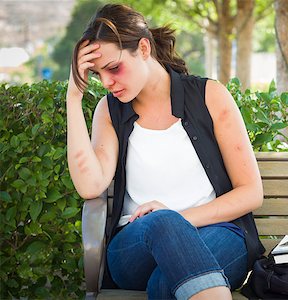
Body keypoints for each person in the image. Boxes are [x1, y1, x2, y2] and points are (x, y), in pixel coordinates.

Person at [66, 3, 265, 300]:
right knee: (160, 222)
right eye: (97, 74)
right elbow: (89, 185)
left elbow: (251, 192)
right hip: (136, 249)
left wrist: (178, 218)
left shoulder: (209, 96)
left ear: (143, 48)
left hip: (217, 234)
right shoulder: (110, 110)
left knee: (165, 283)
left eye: (113, 68)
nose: (106, 82)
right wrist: (73, 96)